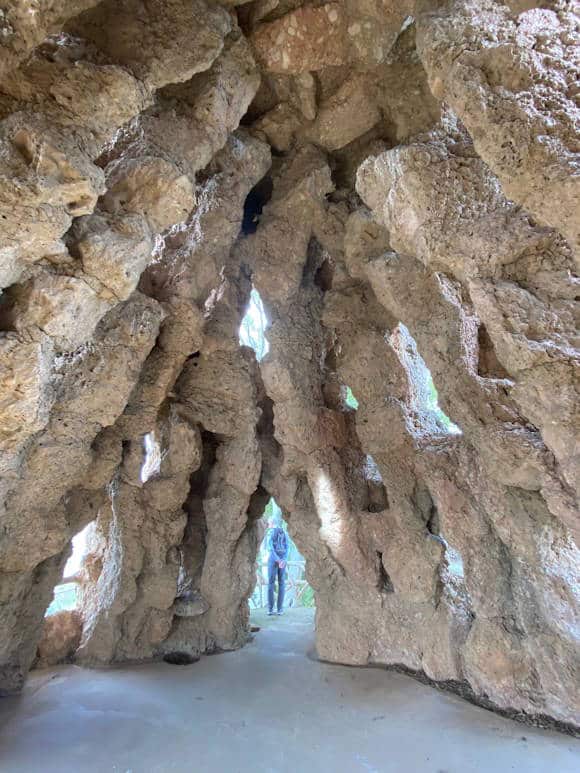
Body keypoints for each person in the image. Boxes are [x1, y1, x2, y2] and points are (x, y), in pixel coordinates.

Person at [267, 519, 288, 616]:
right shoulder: (284, 532)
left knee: (271, 583)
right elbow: (288, 547)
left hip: (273, 560)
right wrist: (283, 560)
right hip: (282, 560)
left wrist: (277, 560)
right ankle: (280, 609)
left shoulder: (271, 532)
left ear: (272, 523)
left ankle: (270, 609)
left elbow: (270, 547)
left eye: (268, 523)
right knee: (282, 584)